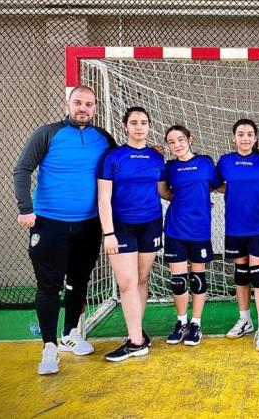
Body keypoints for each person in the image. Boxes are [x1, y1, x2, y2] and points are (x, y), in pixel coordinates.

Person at [13, 85, 115, 375]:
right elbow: (22, 169)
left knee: (79, 281)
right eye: (78, 102)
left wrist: (149, 152)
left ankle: (70, 333)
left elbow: (120, 163)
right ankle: (49, 347)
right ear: (67, 104)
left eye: (89, 104)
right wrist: (25, 208)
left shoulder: (103, 138)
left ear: (95, 108)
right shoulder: (48, 133)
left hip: (88, 225)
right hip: (49, 223)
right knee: (49, 285)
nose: (83, 108)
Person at [97, 107, 165, 362]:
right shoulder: (113, 157)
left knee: (141, 279)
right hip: (121, 227)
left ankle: (136, 332)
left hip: (151, 224)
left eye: (144, 122)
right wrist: (109, 233)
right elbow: (103, 198)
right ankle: (136, 342)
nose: (139, 126)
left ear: (149, 127)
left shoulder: (156, 158)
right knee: (126, 282)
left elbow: (164, 191)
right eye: (134, 122)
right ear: (125, 126)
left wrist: (197, 197)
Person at [217, 119, 259, 351]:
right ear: (234, 138)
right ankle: (245, 320)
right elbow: (214, 184)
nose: (245, 138)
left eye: (250, 134)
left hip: (258, 227)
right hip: (234, 227)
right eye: (240, 134)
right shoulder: (225, 162)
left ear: (256, 138)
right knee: (241, 275)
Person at [161, 125, 220, 347]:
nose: (177, 145)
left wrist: (200, 198)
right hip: (175, 229)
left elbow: (215, 186)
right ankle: (181, 322)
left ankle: (196, 323)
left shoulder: (205, 163)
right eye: (171, 142)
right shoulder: (169, 168)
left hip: (199, 230)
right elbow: (163, 191)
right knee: (178, 281)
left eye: (180, 139)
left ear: (190, 140)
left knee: (197, 279)